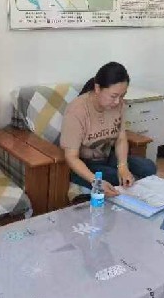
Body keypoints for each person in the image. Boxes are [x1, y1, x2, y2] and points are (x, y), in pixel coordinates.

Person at [60, 62, 157, 197]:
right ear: (98, 88)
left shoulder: (118, 105)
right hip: (84, 165)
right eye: (113, 96)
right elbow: (71, 157)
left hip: (107, 156)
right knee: (116, 179)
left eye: (122, 96)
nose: (118, 102)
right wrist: (96, 181)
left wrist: (123, 166)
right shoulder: (77, 111)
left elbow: (121, 138)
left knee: (148, 167)